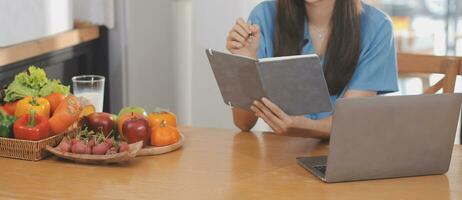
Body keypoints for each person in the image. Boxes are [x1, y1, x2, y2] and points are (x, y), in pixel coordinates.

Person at [226, 0, 398, 138]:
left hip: (343, 155)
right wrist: (245, 58)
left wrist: (303, 126)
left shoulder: (377, 27)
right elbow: (243, 122)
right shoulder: (264, 15)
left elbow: (351, 123)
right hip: (279, 156)